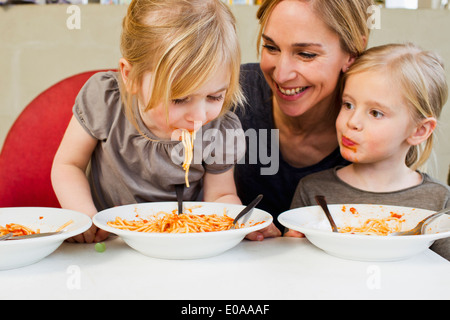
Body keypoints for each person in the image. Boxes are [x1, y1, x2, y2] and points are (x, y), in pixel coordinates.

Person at [51, 0, 246, 243]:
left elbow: (220, 196)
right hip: (111, 243)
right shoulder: (105, 101)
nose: (199, 116)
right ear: (130, 77)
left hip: (184, 244)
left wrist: (237, 222)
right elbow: (68, 165)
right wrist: (84, 216)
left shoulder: (220, 129)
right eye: (179, 98)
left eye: (214, 96)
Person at [291, 43, 450, 259]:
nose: (352, 122)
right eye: (348, 105)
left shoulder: (440, 201)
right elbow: (295, 268)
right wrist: (291, 246)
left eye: (375, 113)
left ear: (419, 130)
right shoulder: (312, 190)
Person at [234, 0, 374, 240]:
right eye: (271, 47)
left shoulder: (377, 124)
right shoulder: (228, 96)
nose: (281, 74)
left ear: (352, 52)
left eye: (306, 54)